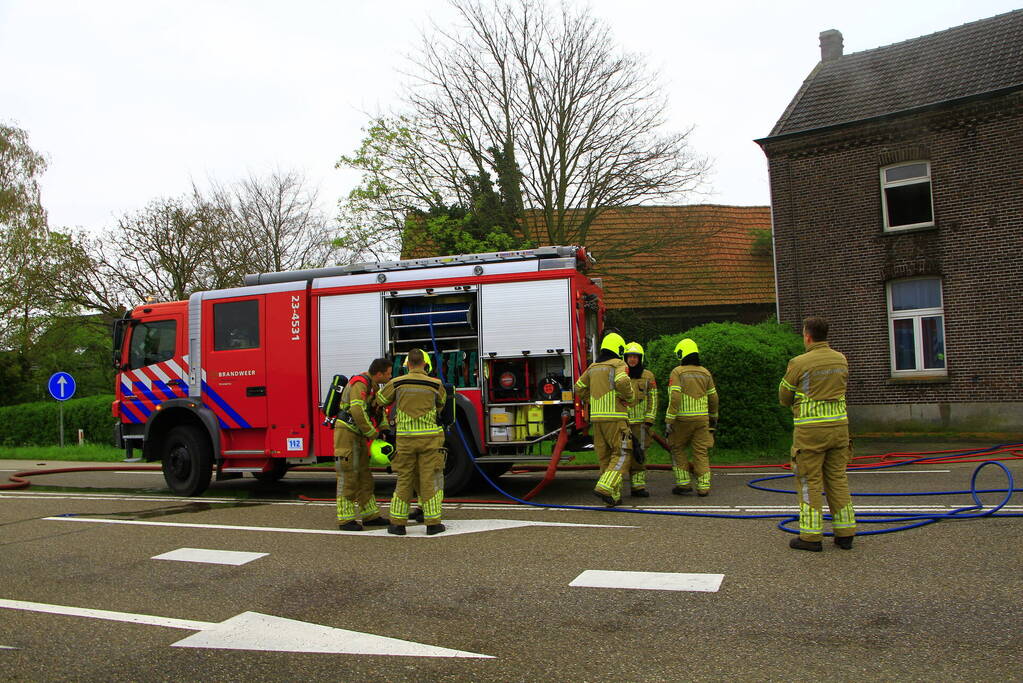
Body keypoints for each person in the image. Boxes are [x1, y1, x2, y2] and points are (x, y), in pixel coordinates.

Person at [779, 316, 856, 551]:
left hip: (810, 431)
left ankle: (811, 537)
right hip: (839, 428)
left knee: (808, 481)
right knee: (837, 479)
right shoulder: (841, 360)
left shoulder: (799, 363)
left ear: (808, 336)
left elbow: (784, 396)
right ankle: (845, 533)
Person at [376, 348, 448, 536]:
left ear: (407, 364)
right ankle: (432, 524)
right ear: (424, 364)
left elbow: (381, 400)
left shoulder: (397, 383)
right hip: (429, 440)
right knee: (428, 480)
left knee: (404, 480)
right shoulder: (436, 384)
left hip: (405, 441)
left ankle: (397, 525)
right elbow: (441, 405)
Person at [575, 332, 636, 507]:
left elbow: (579, 387)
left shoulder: (593, 367)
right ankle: (605, 486)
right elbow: (623, 382)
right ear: (618, 348)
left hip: (597, 419)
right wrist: (629, 398)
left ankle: (613, 496)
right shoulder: (618, 363)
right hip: (616, 417)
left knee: (605, 457)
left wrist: (590, 399)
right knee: (622, 453)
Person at [334, 357, 393, 531]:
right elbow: (357, 410)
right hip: (346, 433)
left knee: (365, 476)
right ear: (379, 373)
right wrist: (372, 433)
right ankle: (345, 519)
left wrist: (383, 428)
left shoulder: (373, 386)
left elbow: (377, 409)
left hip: (358, 434)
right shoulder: (360, 384)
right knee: (348, 475)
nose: (390, 377)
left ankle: (370, 515)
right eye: (388, 374)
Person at [665, 338, 718, 497]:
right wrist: (713, 418)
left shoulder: (678, 372)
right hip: (702, 419)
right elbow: (714, 398)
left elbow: (675, 397)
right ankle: (703, 487)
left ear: (682, 353)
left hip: (681, 420)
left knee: (677, 448)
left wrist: (669, 420)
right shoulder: (705, 372)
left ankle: (683, 484)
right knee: (701, 452)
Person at [623, 342, 657, 497]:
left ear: (640, 358)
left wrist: (650, 418)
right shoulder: (620, 375)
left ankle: (638, 487)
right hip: (623, 423)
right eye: (629, 356)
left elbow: (653, 398)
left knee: (639, 455)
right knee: (622, 455)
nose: (632, 360)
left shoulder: (648, 376)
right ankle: (616, 486)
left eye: (635, 357)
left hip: (641, 424)